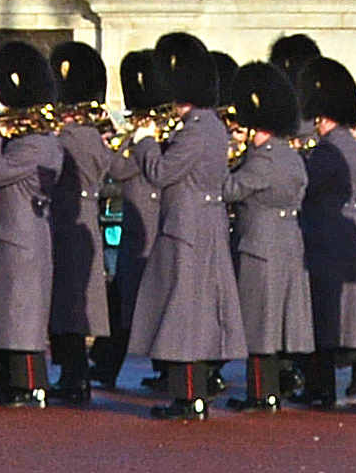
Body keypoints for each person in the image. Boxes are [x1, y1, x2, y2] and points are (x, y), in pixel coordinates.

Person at [128, 33, 247, 420]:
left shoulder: (196, 129)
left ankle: (190, 398)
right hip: (198, 224)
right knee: (188, 313)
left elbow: (161, 173)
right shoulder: (207, 126)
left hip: (187, 228)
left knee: (184, 314)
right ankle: (190, 394)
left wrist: (144, 142)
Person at [0, 42, 63, 408]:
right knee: (7, 311)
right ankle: (7, 378)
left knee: (21, 314)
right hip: (14, 235)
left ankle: (28, 384)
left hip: (23, 238)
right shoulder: (32, 140)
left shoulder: (37, 146)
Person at [221, 62, 314, 412]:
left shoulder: (263, 160)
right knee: (275, 322)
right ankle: (274, 387)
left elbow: (229, 189)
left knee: (260, 325)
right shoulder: (288, 155)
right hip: (285, 242)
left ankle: (261, 393)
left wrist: (215, 160)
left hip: (259, 245)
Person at [291, 57, 356, 407]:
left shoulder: (329, 149)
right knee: (329, 314)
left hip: (324, 235)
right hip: (339, 232)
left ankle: (323, 387)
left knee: (322, 315)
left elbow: (303, 186)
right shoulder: (345, 143)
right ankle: (335, 372)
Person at [88, 51, 166, 389]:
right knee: (126, 300)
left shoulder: (150, 143)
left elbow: (118, 169)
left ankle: (109, 365)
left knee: (135, 303)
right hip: (139, 228)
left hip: (147, 231)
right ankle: (107, 365)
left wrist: (122, 142)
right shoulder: (149, 139)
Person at [45, 42, 114, 406]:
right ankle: (74, 373)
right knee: (75, 300)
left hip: (66, 219)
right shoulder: (92, 134)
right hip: (82, 217)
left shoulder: (69, 137)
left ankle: (74, 376)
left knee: (68, 301)